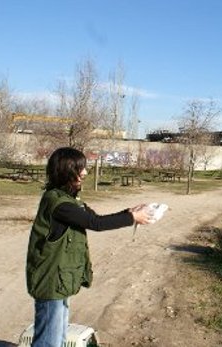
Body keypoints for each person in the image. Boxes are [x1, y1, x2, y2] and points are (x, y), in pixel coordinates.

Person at [26, 147, 155, 347]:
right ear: (66, 171)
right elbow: (96, 224)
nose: (85, 173)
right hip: (50, 281)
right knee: (48, 342)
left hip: (58, 281)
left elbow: (94, 218)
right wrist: (132, 218)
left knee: (58, 338)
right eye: (80, 168)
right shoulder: (60, 204)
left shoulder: (68, 199)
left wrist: (128, 211)